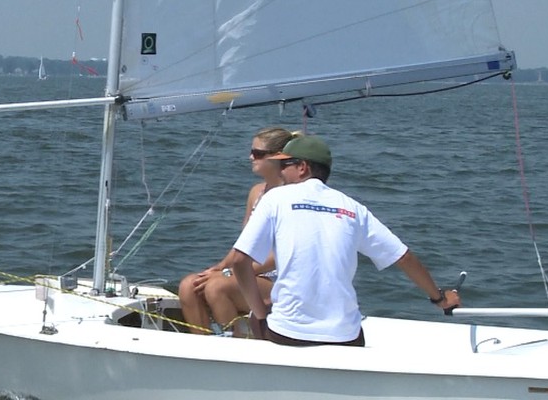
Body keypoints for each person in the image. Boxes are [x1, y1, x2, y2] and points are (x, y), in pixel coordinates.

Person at [230, 134, 461, 346]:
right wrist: (439, 297)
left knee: (257, 317)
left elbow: (240, 261)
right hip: (345, 336)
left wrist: (259, 313)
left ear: (302, 167)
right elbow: (404, 257)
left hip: (288, 334)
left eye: (284, 165)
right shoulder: (352, 207)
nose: (279, 171)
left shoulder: (275, 198)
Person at [178, 126, 295, 335]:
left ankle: (239, 346)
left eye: (258, 153)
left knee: (217, 287)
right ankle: (203, 351)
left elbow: (281, 253)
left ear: (278, 157)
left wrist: (234, 273)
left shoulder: (293, 196)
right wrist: (219, 268)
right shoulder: (256, 193)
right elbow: (245, 243)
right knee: (190, 285)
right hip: (247, 272)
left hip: (278, 279)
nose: (251, 157)